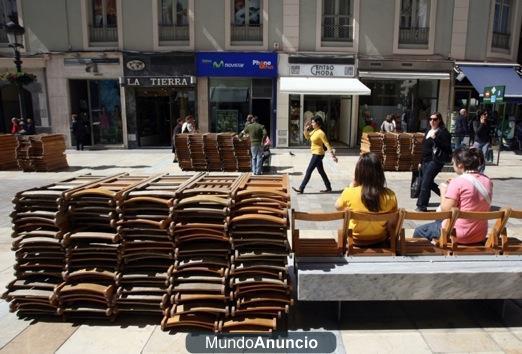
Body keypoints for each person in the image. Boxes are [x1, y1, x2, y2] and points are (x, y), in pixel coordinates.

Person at [414, 147, 493, 244]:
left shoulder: (458, 182)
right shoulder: (487, 181)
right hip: (479, 234)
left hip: (458, 234)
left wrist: (444, 191)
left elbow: (445, 210)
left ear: (460, 165)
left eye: (453, 163)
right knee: (438, 222)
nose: (453, 165)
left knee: (419, 231)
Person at [335, 152, 398, 245]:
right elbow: (392, 224)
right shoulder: (391, 195)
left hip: (356, 240)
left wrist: (351, 186)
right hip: (380, 239)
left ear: (358, 172)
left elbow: (337, 207)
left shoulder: (349, 193)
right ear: (380, 173)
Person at [416, 112, 452, 212]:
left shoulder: (443, 132)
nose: (432, 121)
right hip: (425, 160)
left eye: (435, 119)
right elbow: (424, 147)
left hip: (436, 160)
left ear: (439, 120)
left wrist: (436, 139)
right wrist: (420, 161)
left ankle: (421, 206)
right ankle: (448, 196)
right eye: (431, 119)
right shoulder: (428, 130)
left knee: (425, 182)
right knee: (427, 182)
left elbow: (447, 148)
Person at [292, 116, 338, 194]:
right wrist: (305, 129)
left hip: (318, 154)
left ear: (317, 123)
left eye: (313, 122)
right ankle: (328, 187)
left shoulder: (321, 133)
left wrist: (333, 155)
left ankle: (301, 188)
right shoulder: (314, 131)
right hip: (316, 154)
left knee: (308, 170)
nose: (312, 124)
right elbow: (307, 137)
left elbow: (326, 143)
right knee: (321, 171)